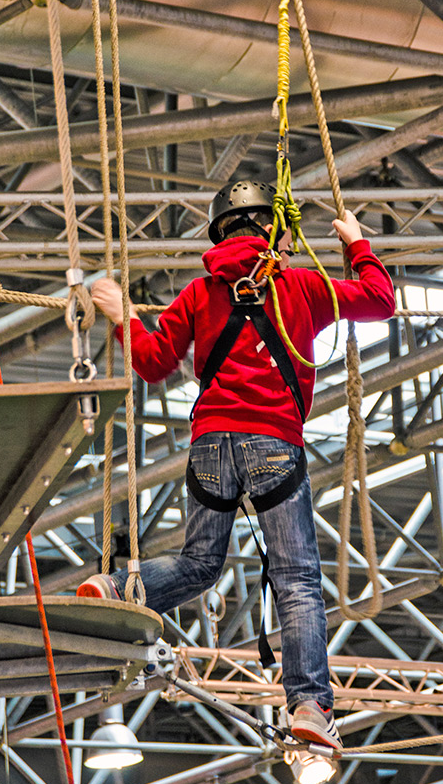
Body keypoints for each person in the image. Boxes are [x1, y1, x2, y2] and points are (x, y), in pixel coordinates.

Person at [77, 179, 396, 748]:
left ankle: (118, 586)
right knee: (296, 579)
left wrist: (124, 315)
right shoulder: (302, 286)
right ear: (273, 232)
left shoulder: (201, 294)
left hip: (211, 445)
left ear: (219, 232)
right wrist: (356, 244)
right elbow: (379, 300)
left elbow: (152, 364)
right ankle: (307, 707)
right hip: (274, 443)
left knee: (201, 564)